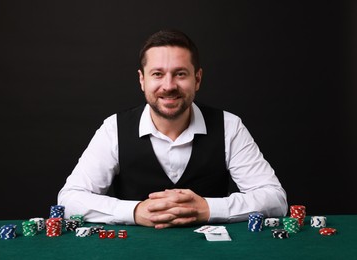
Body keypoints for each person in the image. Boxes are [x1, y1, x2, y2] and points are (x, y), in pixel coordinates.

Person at [58, 29, 288, 229]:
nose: (169, 86)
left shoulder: (229, 126)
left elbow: (276, 199)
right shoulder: (113, 129)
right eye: (157, 74)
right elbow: (69, 199)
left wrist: (208, 208)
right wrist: (135, 212)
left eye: (180, 74)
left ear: (197, 79)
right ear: (142, 80)